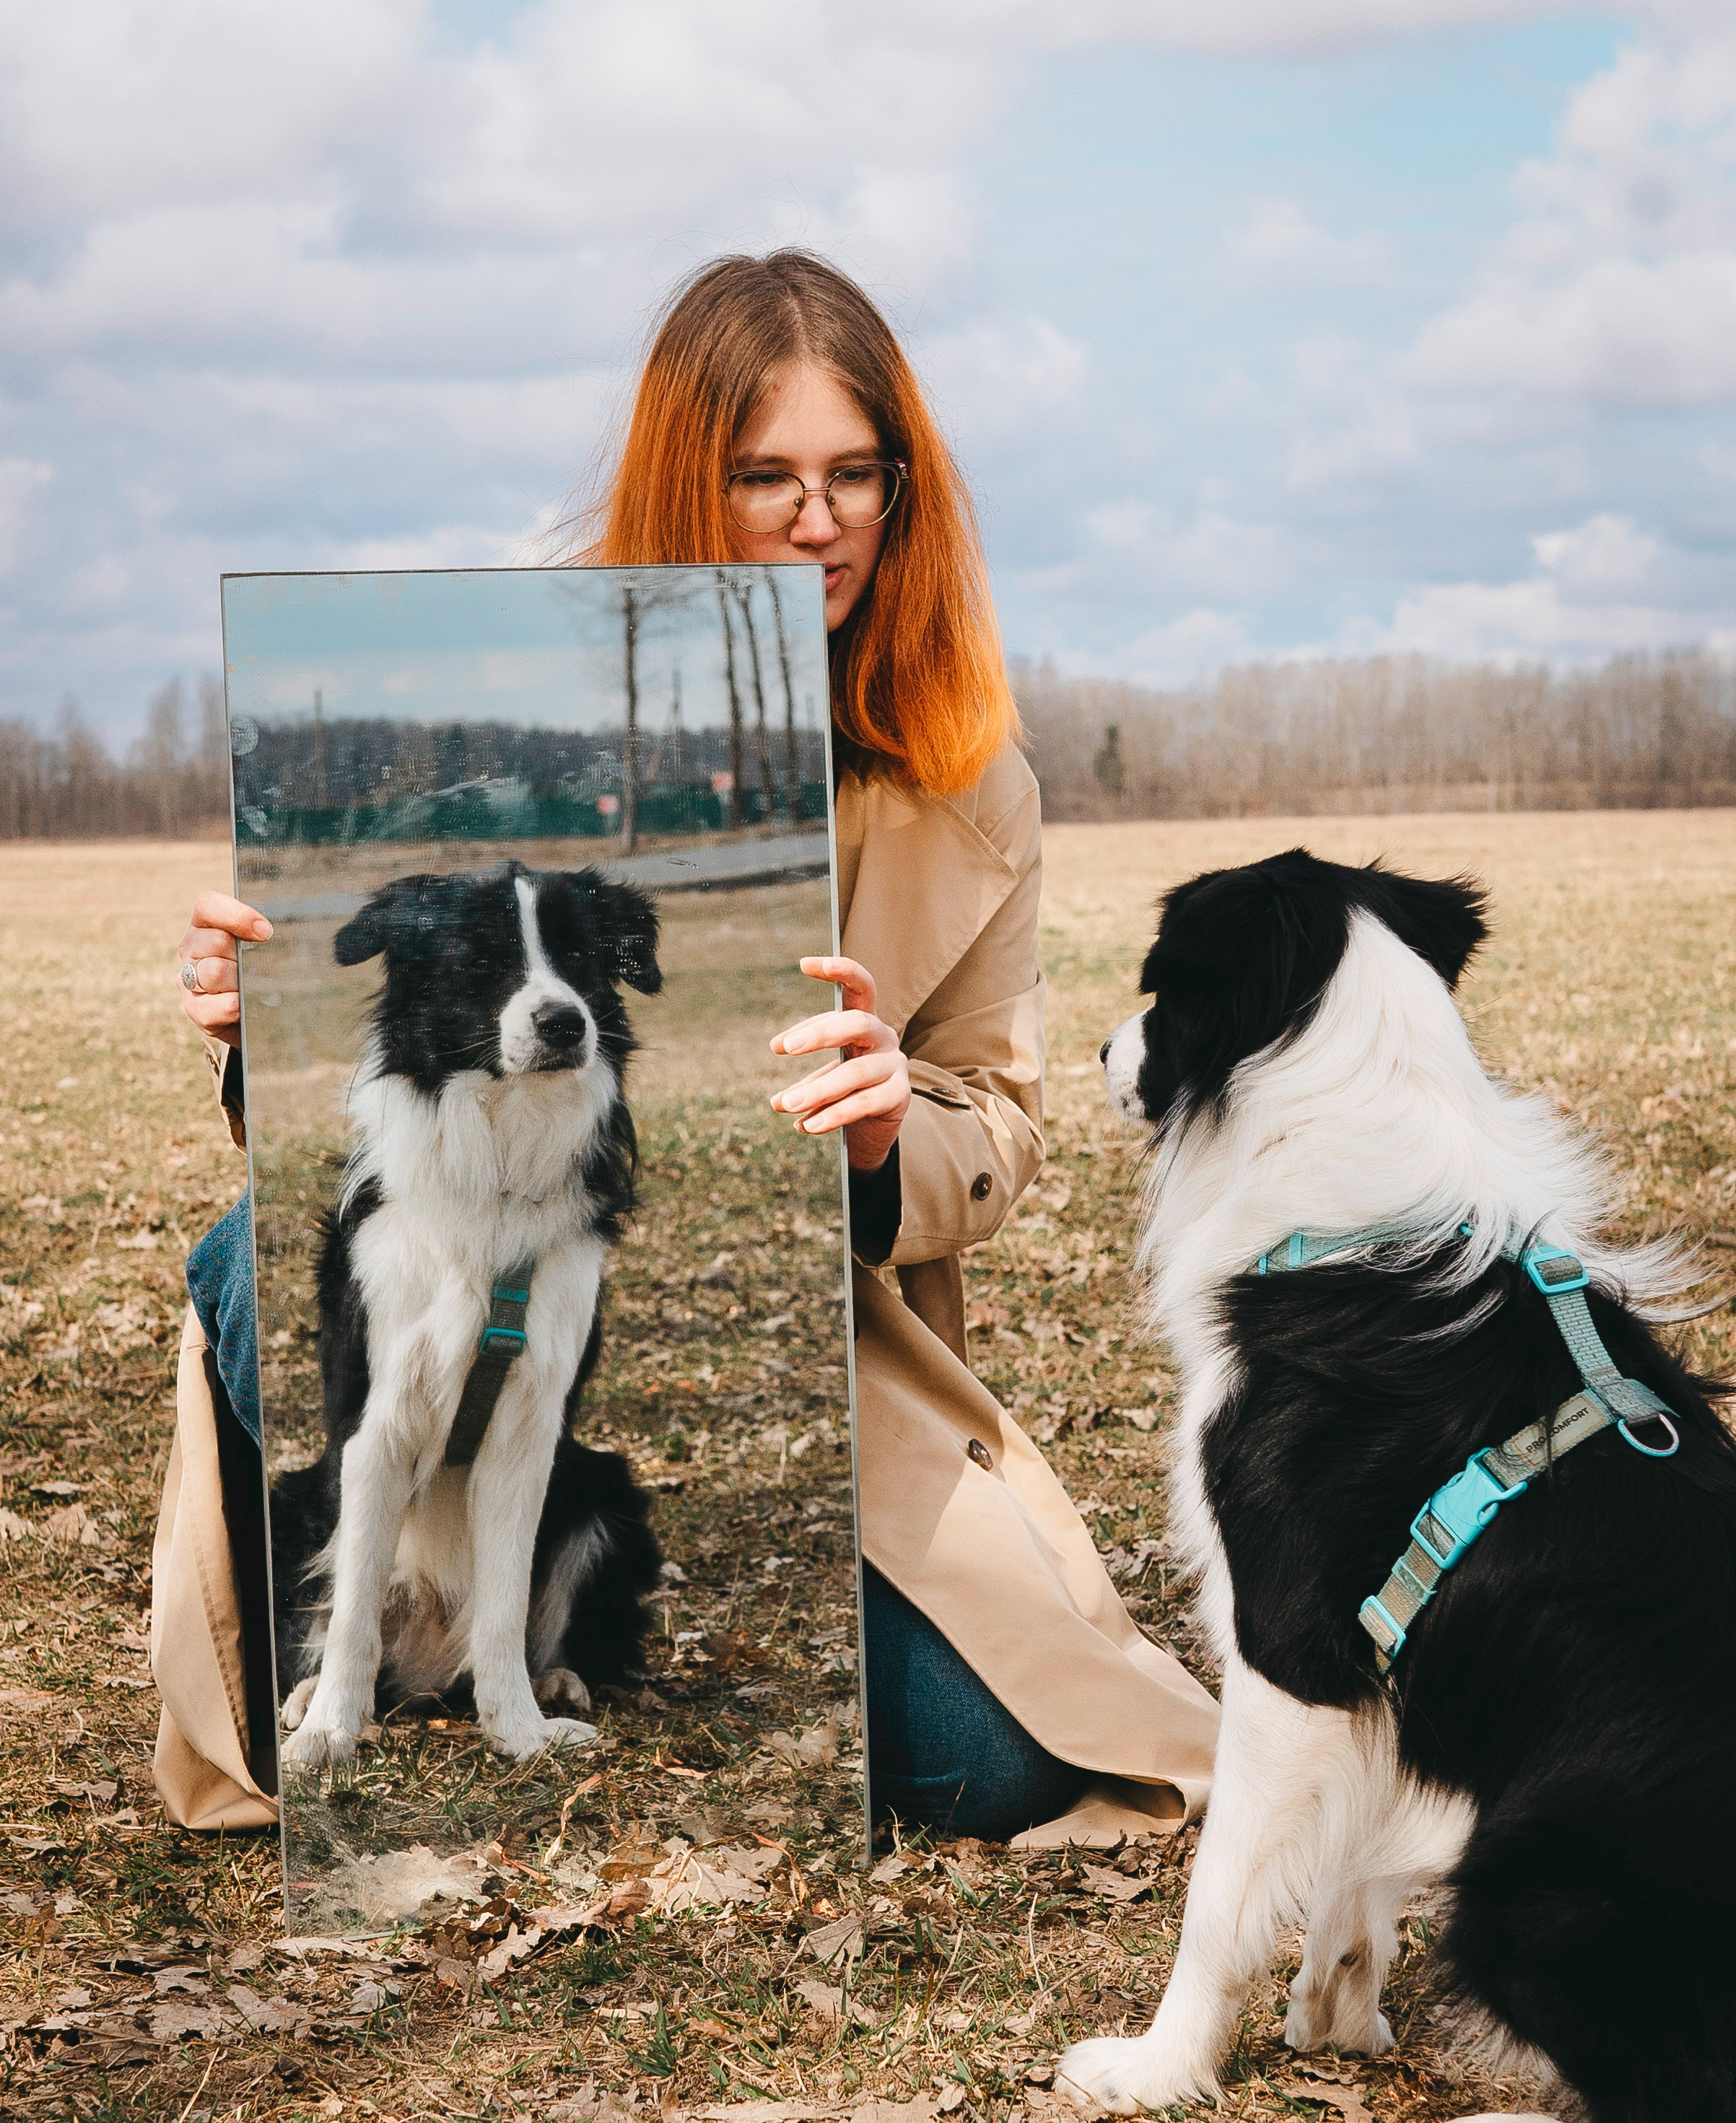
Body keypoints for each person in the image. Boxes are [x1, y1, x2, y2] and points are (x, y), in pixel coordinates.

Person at [163, 250, 1220, 1844]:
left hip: (820, 1337)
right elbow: (389, 1019)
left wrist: (890, 1134)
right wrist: (262, 1021)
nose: (822, 519)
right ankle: (351, 1615)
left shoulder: (965, 768)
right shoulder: (509, 711)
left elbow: (998, 1116)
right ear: (685, 482)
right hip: (445, 1235)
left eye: (862, 477)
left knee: (990, 1771)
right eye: (770, 479)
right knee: (268, 1250)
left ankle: (545, 1613)